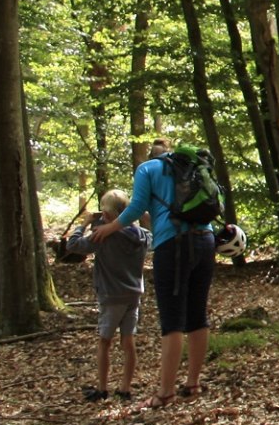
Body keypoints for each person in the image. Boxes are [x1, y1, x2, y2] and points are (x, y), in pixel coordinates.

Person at [89, 138, 216, 408]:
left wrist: (109, 229)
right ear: (171, 153)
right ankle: (192, 383)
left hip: (173, 245)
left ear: (151, 155)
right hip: (206, 240)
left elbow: (135, 208)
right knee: (197, 314)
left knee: (172, 320)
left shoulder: (147, 169)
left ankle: (166, 391)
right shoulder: (194, 166)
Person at [64, 189, 148, 402]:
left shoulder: (102, 234)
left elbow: (73, 245)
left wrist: (83, 224)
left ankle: (102, 388)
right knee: (128, 342)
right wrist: (145, 220)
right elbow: (152, 238)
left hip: (111, 295)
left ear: (108, 214)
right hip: (133, 294)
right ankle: (125, 388)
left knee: (105, 342)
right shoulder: (141, 235)